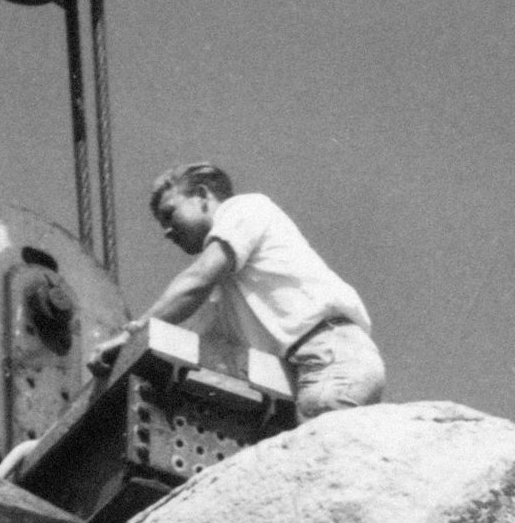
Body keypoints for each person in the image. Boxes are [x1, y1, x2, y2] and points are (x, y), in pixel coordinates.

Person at [123, 162, 386, 419]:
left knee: (318, 453)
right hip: (318, 369)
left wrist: (133, 333)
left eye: (170, 213)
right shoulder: (226, 295)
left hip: (329, 359)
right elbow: (187, 341)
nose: (167, 232)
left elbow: (197, 280)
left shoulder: (244, 208)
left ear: (202, 195)